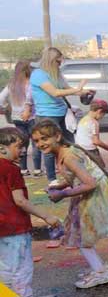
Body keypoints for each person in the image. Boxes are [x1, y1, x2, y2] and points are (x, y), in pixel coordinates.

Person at [32, 120, 108, 289]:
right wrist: (58, 187)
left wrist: (63, 194)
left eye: (44, 138)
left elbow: (90, 183)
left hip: (94, 194)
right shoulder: (63, 152)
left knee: (80, 236)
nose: (40, 144)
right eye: (36, 141)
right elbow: (73, 177)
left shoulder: (69, 156)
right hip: (88, 192)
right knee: (81, 234)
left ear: (58, 136)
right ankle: (99, 267)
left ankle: (101, 273)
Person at [0, 127, 61, 297]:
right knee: (21, 270)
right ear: (2, 147)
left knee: (4, 269)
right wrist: (46, 216)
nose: (22, 151)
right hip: (14, 228)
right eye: (18, 146)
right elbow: (20, 200)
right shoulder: (11, 169)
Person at [30, 47, 89, 182]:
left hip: (62, 113)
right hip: (46, 115)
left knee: (68, 144)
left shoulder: (57, 73)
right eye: (58, 61)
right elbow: (55, 92)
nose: (60, 64)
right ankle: (52, 179)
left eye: (61, 61)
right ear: (50, 60)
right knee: (49, 146)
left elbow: (67, 89)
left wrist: (83, 92)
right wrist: (77, 89)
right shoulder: (38, 74)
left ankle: (74, 174)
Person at [0, 60, 41, 177]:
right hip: (32, 116)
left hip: (17, 117)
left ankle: (23, 169)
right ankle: (37, 169)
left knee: (21, 143)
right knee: (36, 142)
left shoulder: (11, 85)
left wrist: (6, 107)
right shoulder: (32, 83)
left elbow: (1, 98)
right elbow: (33, 99)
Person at [75, 99, 108, 170]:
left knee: (85, 169)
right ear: (99, 111)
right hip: (90, 151)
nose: (102, 117)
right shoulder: (94, 122)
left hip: (79, 149)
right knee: (101, 169)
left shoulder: (83, 119)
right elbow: (96, 141)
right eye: (103, 114)